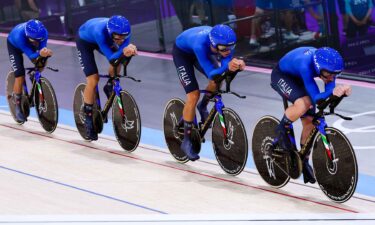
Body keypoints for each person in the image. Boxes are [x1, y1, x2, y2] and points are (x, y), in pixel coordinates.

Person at [270, 47, 352, 184]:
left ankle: (303, 160)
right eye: (328, 75)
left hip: (299, 77)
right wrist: (334, 92)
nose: (331, 78)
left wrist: (340, 93)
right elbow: (316, 98)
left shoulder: (327, 69)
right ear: (319, 68)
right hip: (282, 75)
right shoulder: (305, 65)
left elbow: (328, 98)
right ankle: (281, 129)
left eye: (335, 74)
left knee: (310, 120)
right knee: (305, 103)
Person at [173, 24, 246, 161]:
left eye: (231, 47)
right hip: (183, 54)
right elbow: (211, 73)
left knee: (218, 81)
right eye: (224, 49)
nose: (228, 51)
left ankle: (203, 105)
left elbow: (223, 70)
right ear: (214, 44)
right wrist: (227, 67)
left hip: (201, 51)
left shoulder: (223, 44)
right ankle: (186, 141)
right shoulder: (200, 45)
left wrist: (235, 66)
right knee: (193, 95)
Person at [76, 15, 138, 141]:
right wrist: (124, 51)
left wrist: (128, 53)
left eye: (124, 37)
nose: (121, 40)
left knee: (118, 61)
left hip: (102, 38)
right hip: (85, 41)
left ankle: (110, 84)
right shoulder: (100, 32)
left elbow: (119, 57)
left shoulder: (124, 32)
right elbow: (111, 58)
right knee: (93, 79)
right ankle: (88, 117)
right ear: (111, 33)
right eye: (118, 37)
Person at [7, 19, 52, 123]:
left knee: (42, 60)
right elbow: (32, 56)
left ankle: (34, 75)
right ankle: (18, 106)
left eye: (38, 40)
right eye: (34, 40)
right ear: (28, 36)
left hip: (28, 41)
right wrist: (41, 53)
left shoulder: (43, 33)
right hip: (14, 46)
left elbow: (42, 50)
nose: (37, 42)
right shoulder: (20, 37)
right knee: (19, 75)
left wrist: (45, 53)